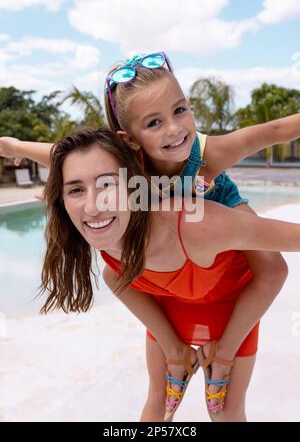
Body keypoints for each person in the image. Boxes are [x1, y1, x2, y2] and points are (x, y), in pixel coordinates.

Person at [1, 51, 300, 420]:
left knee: (270, 265)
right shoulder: (125, 160)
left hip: (214, 196)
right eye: (154, 122)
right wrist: (13, 147)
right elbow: (62, 155)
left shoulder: (208, 155)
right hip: (163, 215)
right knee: (117, 272)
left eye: (180, 110)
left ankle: (219, 361)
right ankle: (180, 359)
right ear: (130, 140)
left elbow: (275, 131)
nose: (175, 129)